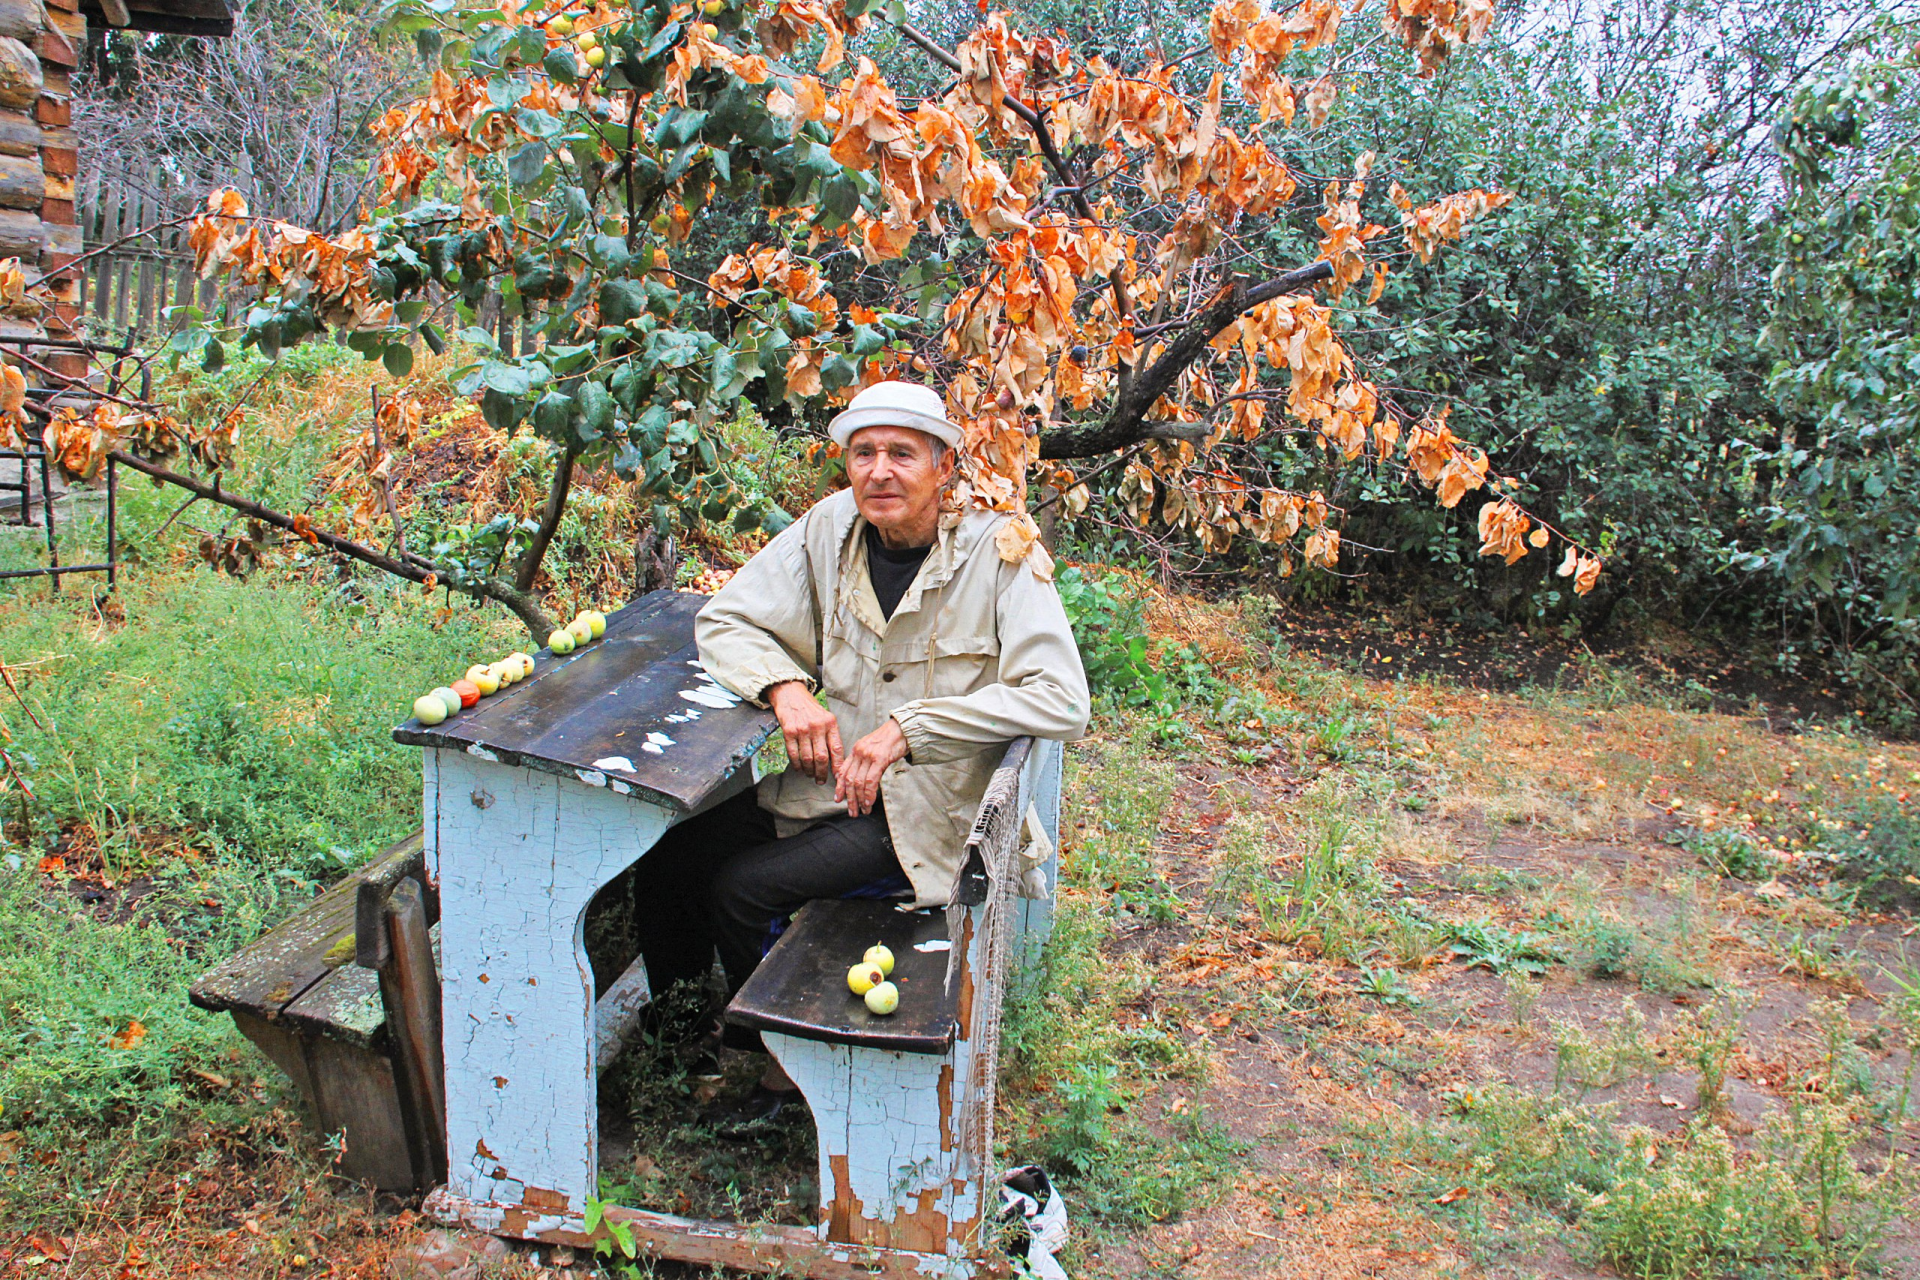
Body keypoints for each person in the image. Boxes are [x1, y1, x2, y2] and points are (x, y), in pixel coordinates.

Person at [626, 379, 1089, 1127]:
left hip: (932, 811)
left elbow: (1063, 698)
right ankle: (686, 1043)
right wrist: (784, 687)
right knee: (672, 857)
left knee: (743, 887)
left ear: (943, 466)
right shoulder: (829, 528)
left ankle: (786, 1082)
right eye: (863, 453)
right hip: (832, 788)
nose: (880, 472)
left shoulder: (1000, 550)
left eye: (902, 454)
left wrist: (915, 728)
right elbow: (728, 621)